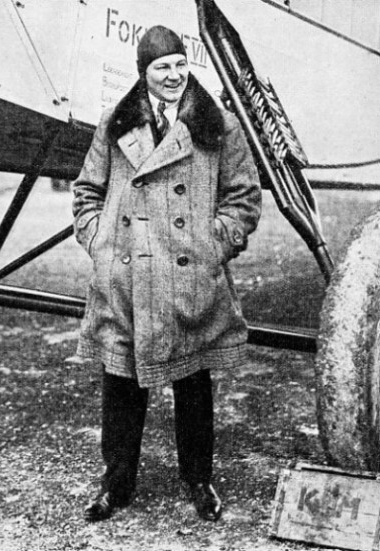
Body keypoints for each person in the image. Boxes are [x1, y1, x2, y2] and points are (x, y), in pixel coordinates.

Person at [72, 25, 261, 523]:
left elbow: (243, 197)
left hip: (188, 279)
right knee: (121, 385)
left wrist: (211, 245)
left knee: (193, 384)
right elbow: (86, 192)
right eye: (163, 68)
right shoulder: (116, 123)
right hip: (127, 277)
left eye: (180, 64)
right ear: (144, 73)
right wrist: (102, 242)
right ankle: (117, 484)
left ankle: (199, 481)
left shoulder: (217, 124)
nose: (174, 75)